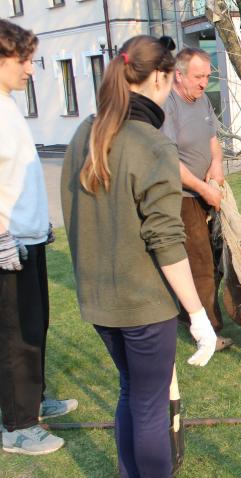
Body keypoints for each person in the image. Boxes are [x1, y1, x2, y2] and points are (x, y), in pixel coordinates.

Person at [61, 35, 219, 478]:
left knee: (131, 392)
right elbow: (166, 240)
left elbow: (73, 216)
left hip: (99, 301)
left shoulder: (85, 133)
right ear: (160, 79)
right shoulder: (149, 142)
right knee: (150, 403)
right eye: (172, 78)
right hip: (142, 303)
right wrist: (197, 315)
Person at [0, 19, 77, 456]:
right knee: (15, 335)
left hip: (29, 239)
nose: (30, 69)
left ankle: (33, 399)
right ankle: (18, 425)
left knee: (36, 324)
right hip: (8, 246)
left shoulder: (7, 102)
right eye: (22, 60)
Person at [161, 47, 232, 351]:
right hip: (183, 195)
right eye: (198, 77)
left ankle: (187, 313)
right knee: (200, 261)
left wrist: (216, 167)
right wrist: (203, 189)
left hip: (207, 189)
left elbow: (213, 141)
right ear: (179, 75)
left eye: (207, 76)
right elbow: (168, 161)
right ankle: (209, 332)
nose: (204, 83)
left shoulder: (201, 100)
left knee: (217, 257)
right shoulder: (168, 105)